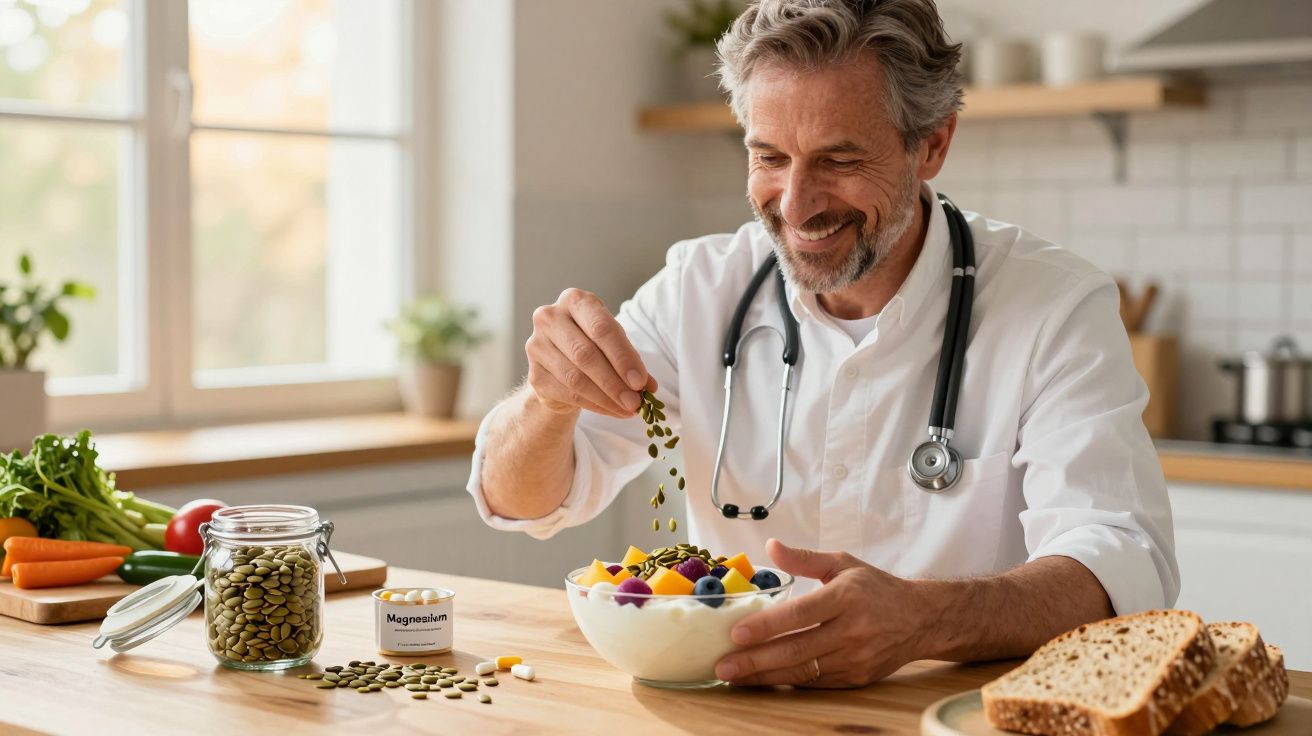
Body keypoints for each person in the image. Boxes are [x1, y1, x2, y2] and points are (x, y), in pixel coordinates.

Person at [466, 0, 1177, 689]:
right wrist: (546, 403)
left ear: (932, 144)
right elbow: (520, 500)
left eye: (839, 160)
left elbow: (1121, 561)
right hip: (736, 708)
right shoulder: (696, 290)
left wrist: (926, 619)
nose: (797, 204)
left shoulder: (1053, 306)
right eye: (770, 156)